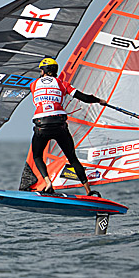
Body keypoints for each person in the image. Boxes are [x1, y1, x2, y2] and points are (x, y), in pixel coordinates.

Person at [28, 57, 107, 195]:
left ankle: (48, 182)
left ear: (43, 71)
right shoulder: (62, 84)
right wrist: (99, 100)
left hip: (41, 125)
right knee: (72, 157)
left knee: (37, 156)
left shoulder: (33, 84)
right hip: (59, 124)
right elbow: (84, 97)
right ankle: (88, 190)